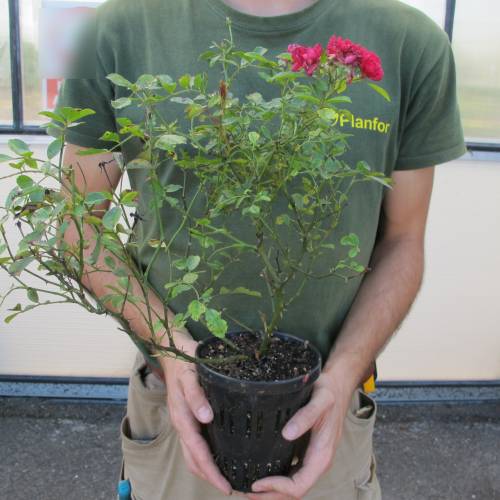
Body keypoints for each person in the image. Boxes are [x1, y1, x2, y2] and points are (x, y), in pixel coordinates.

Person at [53, 0, 466, 498]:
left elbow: (403, 240)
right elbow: (79, 225)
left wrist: (339, 382)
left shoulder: (410, 42)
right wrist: (175, 351)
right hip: (177, 408)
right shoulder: (115, 29)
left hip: (328, 410)